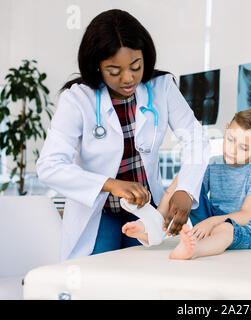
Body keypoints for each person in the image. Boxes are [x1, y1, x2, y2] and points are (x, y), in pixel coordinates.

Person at [36, 9, 209, 261]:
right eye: (114, 71)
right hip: (99, 210)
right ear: (97, 67)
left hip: (145, 210)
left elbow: (196, 139)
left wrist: (186, 190)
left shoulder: (161, 88)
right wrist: (111, 184)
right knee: (98, 277)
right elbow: (49, 166)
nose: (128, 79)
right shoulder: (77, 99)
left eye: (136, 67)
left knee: (145, 277)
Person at [123, 108, 251, 260]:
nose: (232, 150)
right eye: (230, 139)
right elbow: (192, 189)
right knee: (186, 181)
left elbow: (245, 216)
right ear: (226, 129)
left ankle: (194, 249)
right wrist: (187, 193)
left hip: (242, 229)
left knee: (226, 228)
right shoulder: (214, 163)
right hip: (210, 220)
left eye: (243, 147)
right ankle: (154, 226)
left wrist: (211, 222)